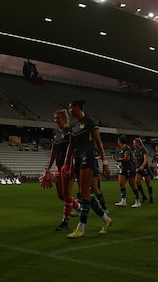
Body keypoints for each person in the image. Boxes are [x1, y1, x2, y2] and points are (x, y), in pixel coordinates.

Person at [61, 99, 113, 239]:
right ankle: (106, 219)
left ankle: (81, 228)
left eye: (71, 108)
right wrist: (67, 163)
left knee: (84, 191)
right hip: (77, 159)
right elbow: (70, 147)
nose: (70, 110)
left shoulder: (90, 122)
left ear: (78, 108)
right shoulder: (73, 125)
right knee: (82, 193)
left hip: (88, 157)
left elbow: (99, 143)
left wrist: (105, 162)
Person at [43, 109, 81, 231]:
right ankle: (79, 207)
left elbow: (74, 149)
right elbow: (53, 151)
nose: (56, 120)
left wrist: (71, 164)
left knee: (66, 194)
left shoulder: (69, 132)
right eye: (55, 118)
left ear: (64, 118)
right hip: (59, 167)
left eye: (58, 118)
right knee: (61, 195)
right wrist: (47, 169)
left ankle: (65, 222)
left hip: (68, 166)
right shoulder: (55, 133)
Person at [113, 135, 140, 208]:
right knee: (121, 183)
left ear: (120, 141)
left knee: (132, 185)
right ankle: (123, 201)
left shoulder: (126, 148)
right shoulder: (122, 149)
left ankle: (137, 201)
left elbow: (127, 158)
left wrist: (118, 159)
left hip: (129, 168)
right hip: (124, 168)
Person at [132, 137, 153, 204]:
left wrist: (143, 166)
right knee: (137, 182)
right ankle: (143, 196)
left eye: (134, 143)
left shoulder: (143, 150)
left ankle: (151, 197)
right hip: (138, 168)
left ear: (138, 143)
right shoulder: (135, 151)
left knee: (148, 183)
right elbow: (135, 160)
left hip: (145, 168)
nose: (133, 145)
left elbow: (146, 159)